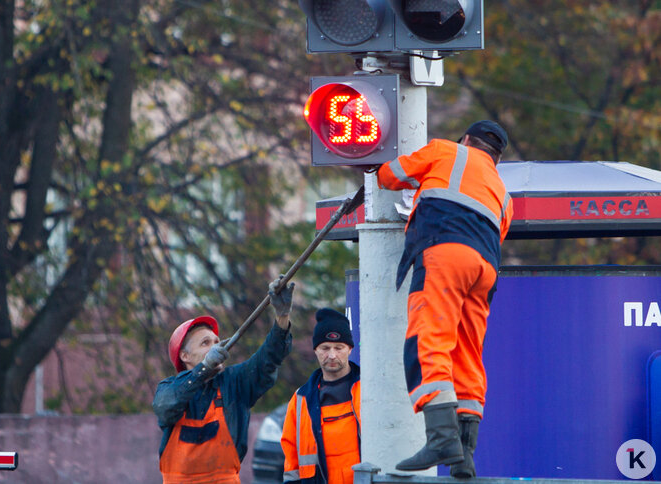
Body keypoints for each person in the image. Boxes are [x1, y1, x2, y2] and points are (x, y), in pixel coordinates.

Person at [375, 120, 513, 477]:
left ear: (466, 140)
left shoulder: (444, 150)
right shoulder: (502, 192)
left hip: (444, 252)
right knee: (467, 352)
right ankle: (465, 454)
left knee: (429, 338)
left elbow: (390, 176)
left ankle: (440, 439)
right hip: (485, 271)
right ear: (496, 158)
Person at [153, 277, 295, 484]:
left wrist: (282, 318)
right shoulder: (169, 389)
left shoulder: (234, 383)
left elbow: (268, 359)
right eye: (205, 343)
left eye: (217, 342)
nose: (216, 347)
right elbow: (166, 406)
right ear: (185, 356)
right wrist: (203, 369)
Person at [281, 308, 360, 484]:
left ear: (350, 349)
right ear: (315, 350)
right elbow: (291, 460)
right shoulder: (301, 399)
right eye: (325, 348)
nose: (332, 355)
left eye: (339, 348)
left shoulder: (368, 390)